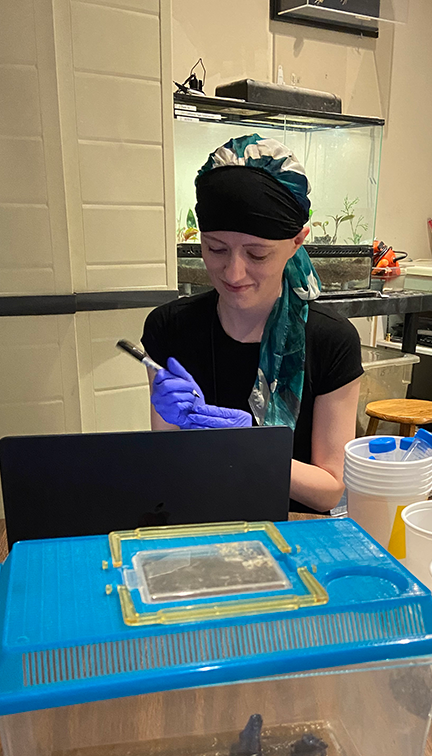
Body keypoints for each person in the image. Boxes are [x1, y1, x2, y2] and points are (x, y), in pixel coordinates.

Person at [142, 135, 363, 514]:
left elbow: (329, 490)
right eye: (215, 249)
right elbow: (168, 468)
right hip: (199, 515)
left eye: (257, 254)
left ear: (297, 241)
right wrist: (172, 429)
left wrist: (247, 444)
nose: (233, 272)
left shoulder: (331, 340)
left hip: (294, 528)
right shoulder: (170, 328)